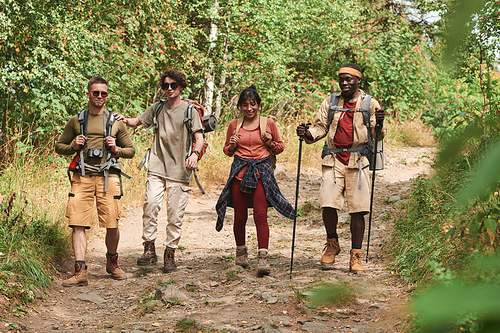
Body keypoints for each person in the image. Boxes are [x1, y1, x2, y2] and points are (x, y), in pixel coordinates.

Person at [296, 63, 386, 273]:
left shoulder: (370, 103)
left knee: (358, 210)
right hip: (333, 158)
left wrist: (379, 123)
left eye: (349, 79)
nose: (345, 83)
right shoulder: (331, 101)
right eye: (342, 79)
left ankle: (356, 255)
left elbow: (377, 135)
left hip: (358, 158)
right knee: (328, 203)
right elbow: (320, 127)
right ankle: (332, 244)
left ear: (358, 81)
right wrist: (307, 133)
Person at [114, 69, 204, 273]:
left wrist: (194, 155)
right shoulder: (157, 108)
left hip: (180, 170)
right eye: (165, 85)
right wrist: (122, 119)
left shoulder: (190, 111)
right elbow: (137, 122)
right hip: (156, 166)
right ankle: (149, 249)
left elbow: (199, 137)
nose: (169, 89)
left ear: (181, 86)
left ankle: (170, 253)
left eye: (173, 85)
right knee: (150, 206)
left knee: (175, 214)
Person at [55, 77, 136, 287]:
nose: (100, 96)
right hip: (82, 177)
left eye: (104, 93)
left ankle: (112, 262)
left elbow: (131, 151)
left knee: (112, 223)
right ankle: (80, 271)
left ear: (107, 95)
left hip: (109, 178)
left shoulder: (116, 121)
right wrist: (74, 146)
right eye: (96, 93)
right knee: (78, 223)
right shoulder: (77, 120)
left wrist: (116, 149)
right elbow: (59, 146)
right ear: (88, 94)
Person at [215, 85, 294, 277]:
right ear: (240, 107)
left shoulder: (268, 123)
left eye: (253, 104)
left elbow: (279, 147)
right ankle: (240, 254)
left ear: (258, 105)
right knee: (240, 215)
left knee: (260, 215)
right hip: (240, 171)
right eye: (245, 105)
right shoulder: (234, 125)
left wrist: (269, 142)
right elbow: (227, 151)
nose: (249, 108)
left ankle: (263, 257)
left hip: (262, 171)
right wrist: (232, 145)